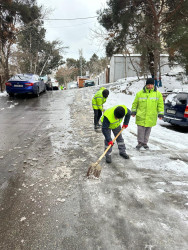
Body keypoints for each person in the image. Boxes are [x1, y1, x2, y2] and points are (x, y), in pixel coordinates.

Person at [131, 78, 164, 150]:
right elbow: (135, 103)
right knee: (140, 130)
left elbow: (160, 105)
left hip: (151, 116)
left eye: (151, 85)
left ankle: (145, 143)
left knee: (148, 130)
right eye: (148, 85)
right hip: (141, 115)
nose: (150, 86)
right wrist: (133, 111)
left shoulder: (157, 94)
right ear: (146, 85)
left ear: (153, 85)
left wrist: (160, 113)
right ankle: (140, 142)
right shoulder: (140, 93)